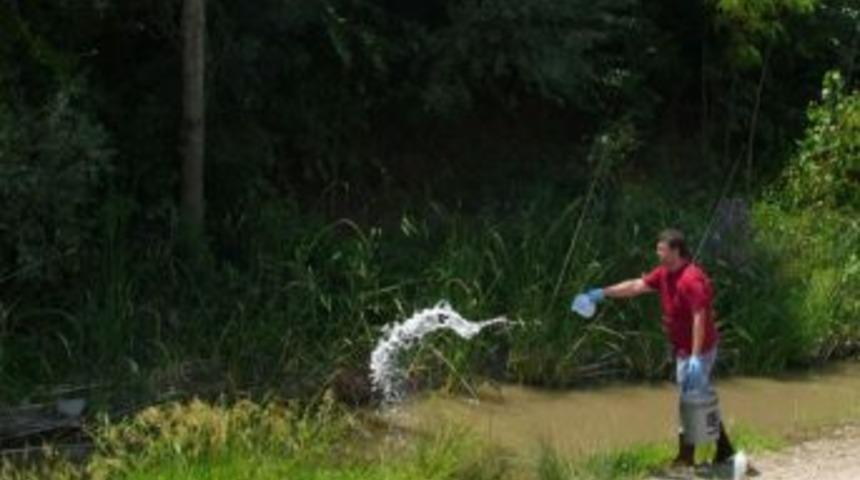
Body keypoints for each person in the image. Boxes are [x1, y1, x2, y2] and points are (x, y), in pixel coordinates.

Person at [579, 228, 737, 467]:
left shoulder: (691, 279)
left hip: (700, 351)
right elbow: (636, 286)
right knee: (698, 397)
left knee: (690, 399)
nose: (658, 254)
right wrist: (602, 293)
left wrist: (695, 357)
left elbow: (699, 318)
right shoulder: (664, 273)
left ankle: (687, 457)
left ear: (676, 251)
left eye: (662, 250)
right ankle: (723, 451)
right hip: (685, 349)